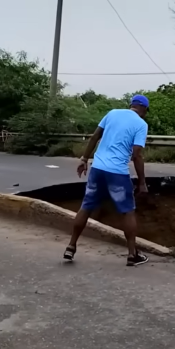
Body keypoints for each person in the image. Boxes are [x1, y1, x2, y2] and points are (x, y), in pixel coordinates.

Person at [64, 94, 150, 267]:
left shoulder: (112, 113)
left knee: (86, 207)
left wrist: (84, 159)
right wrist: (142, 182)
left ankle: (71, 246)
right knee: (127, 211)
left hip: (98, 169)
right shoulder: (141, 124)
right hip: (117, 173)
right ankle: (132, 255)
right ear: (144, 109)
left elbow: (94, 137)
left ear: (131, 104)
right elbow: (137, 155)